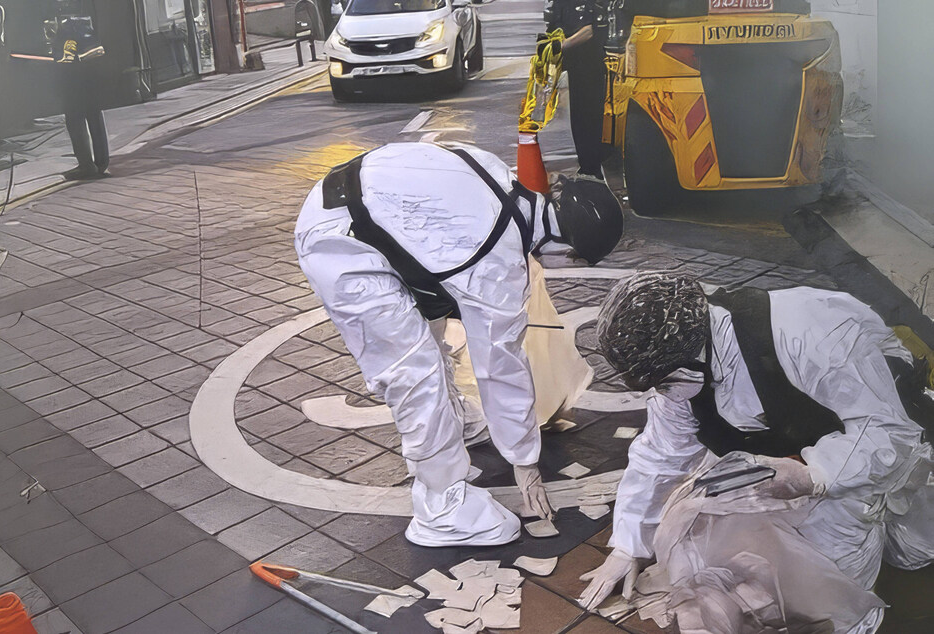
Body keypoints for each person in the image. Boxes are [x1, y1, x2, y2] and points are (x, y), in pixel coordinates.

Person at [294, 142, 623, 546]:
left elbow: (432, 243)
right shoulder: (497, 261)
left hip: (355, 211)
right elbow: (499, 367)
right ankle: (442, 508)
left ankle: (455, 422)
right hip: (341, 246)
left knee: (430, 335)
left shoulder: (498, 178)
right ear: (568, 251)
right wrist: (525, 462)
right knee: (414, 374)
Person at [579, 274, 934, 631]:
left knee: (899, 558)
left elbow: (888, 431)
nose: (665, 393)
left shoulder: (809, 330)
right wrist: (629, 544)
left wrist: (814, 474)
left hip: (878, 443)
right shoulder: (681, 372)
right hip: (792, 452)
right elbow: (661, 453)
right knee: (728, 535)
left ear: (695, 346)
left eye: (666, 380)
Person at [544, 0, 609, 180]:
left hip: (589, 65)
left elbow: (588, 31)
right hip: (577, 66)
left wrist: (562, 46)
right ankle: (587, 167)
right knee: (580, 117)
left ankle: (591, 168)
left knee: (587, 117)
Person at [51, 0, 109, 181]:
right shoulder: (87, 18)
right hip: (91, 75)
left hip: (73, 78)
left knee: (75, 119)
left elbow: (63, 57)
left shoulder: (66, 25)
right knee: (94, 115)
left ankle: (86, 165)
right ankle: (101, 162)